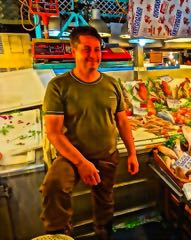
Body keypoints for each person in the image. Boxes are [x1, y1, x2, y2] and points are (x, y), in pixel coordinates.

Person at [39, 26, 139, 239]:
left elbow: (122, 121)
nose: (93, 55)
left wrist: (132, 153)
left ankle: (103, 234)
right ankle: (59, 236)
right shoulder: (58, 86)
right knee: (53, 186)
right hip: (71, 156)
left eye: (97, 50)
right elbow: (54, 133)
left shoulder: (112, 83)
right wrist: (82, 163)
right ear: (73, 50)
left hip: (107, 155)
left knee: (105, 201)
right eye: (86, 49)